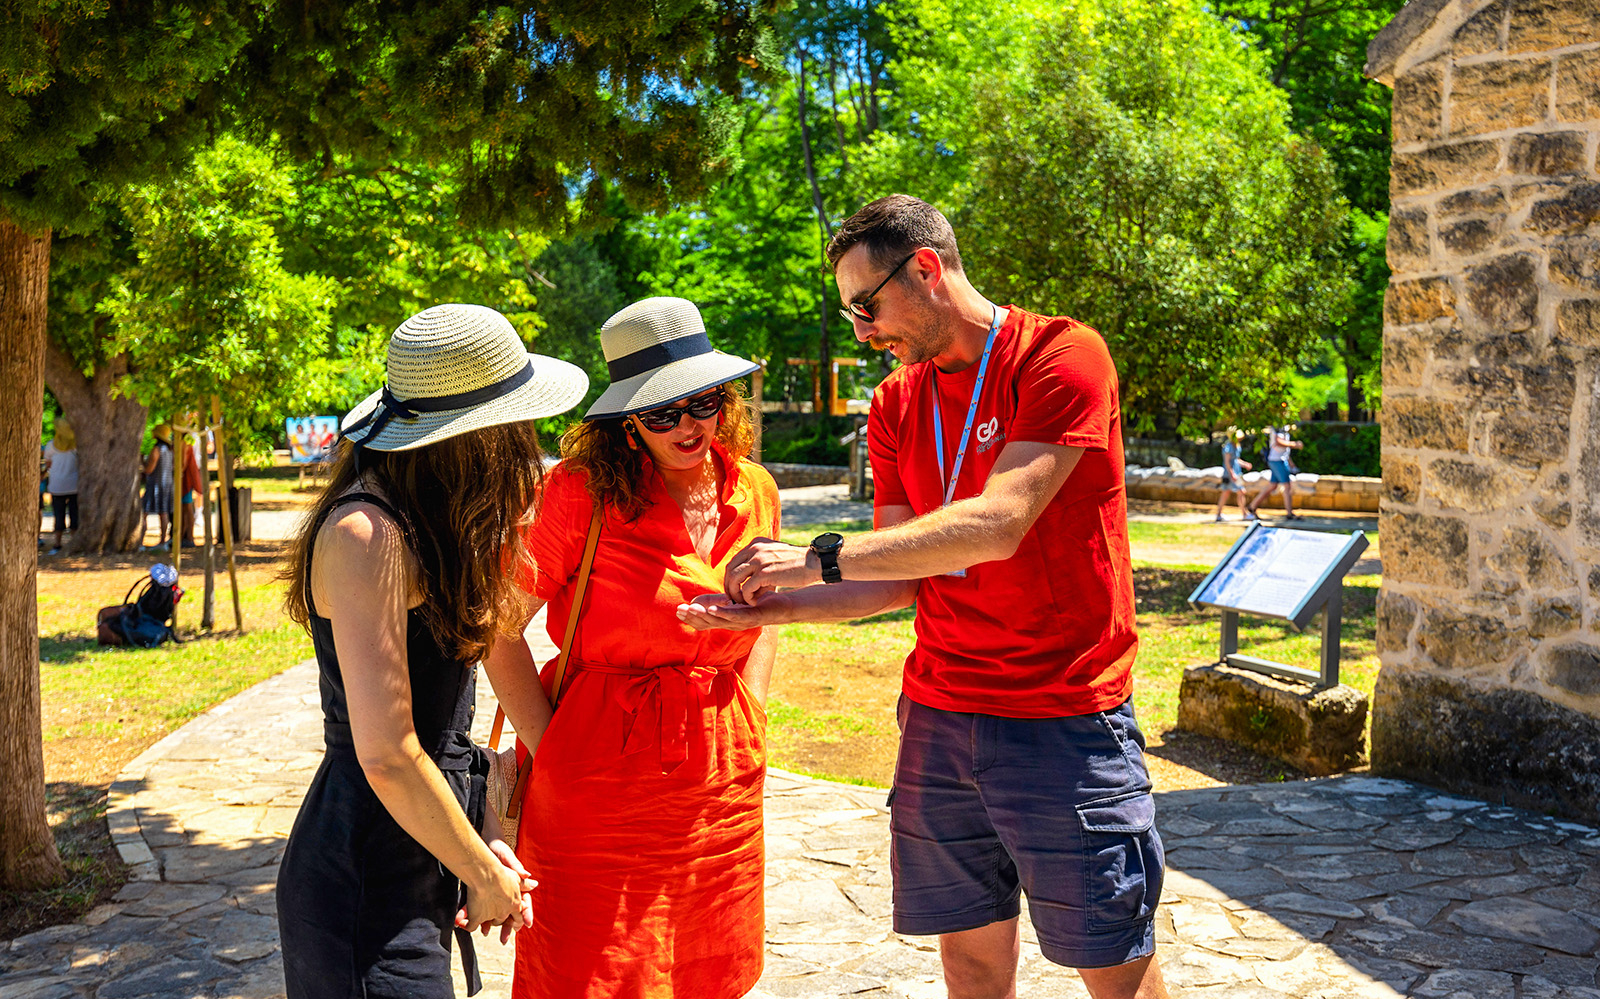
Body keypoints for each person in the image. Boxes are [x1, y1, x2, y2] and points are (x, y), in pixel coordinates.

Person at [679, 196, 1169, 999]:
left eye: (867, 305)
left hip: (1064, 719)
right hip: (939, 717)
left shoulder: (1063, 354)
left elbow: (1001, 521)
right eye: (851, 314)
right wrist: (774, 608)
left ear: (929, 269)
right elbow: (897, 578)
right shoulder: (896, 403)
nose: (864, 331)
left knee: (1112, 962)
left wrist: (816, 555)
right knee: (970, 963)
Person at [275, 303, 588, 999]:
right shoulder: (366, 531)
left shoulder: (427, 519)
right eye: (517, 421)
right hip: (360, 874)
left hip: (415, 848)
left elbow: (440, 730)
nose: (527, 440)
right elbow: (387, 751)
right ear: (475, 435)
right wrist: (482, 872)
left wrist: (475, 845)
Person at [484, 296, 778, 999]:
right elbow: (495, 622)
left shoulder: (756, 489)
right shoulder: (580, 493)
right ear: (626, 420)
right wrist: (547, 739)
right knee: (594, 971)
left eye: (703, 401)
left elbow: (767, 616)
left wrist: (754, 712)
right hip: (595, 782)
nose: (689, 425)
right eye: (662, 412)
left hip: (720, 777)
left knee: (707, 968)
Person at [1245, 424, 1303, 521]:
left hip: (1278, 460)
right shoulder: (1277, 428)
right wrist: (1295, 444)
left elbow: (1284, 451)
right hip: (1277, 461)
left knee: (1273, 485)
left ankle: (1252, 506)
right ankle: (1289, 513)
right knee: (1287, 486)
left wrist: (1292, 464)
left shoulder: (1284, 428)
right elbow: (1278, 442)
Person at [43, 419, 79, 554]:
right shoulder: (76, 445)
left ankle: (57, 544)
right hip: (74, 485)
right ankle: (74, 544)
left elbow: (48, 464)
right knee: (74, 515)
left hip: (57, 486)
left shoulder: (51, 445)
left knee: (58, 515)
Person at [141, 426, 174, 551]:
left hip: (155, 484)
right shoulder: (169, 450)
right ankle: (162, 541)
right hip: (167, 484)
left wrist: (142, 463)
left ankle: (140, 542)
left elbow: (149, 469)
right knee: (163, 512)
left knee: (144, 512)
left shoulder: (157, 450)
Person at [1213, 428, 1252, 522]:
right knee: (1241, 491)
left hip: (1236, 473)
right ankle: (1244, 514)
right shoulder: (1228, 446)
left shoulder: (1237, 446)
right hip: (1230, 474)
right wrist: (1232, 474)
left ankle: (1219, 515)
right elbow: (1227, 462)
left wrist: (1245, 464)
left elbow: (1236, 460)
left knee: (1226, 493)